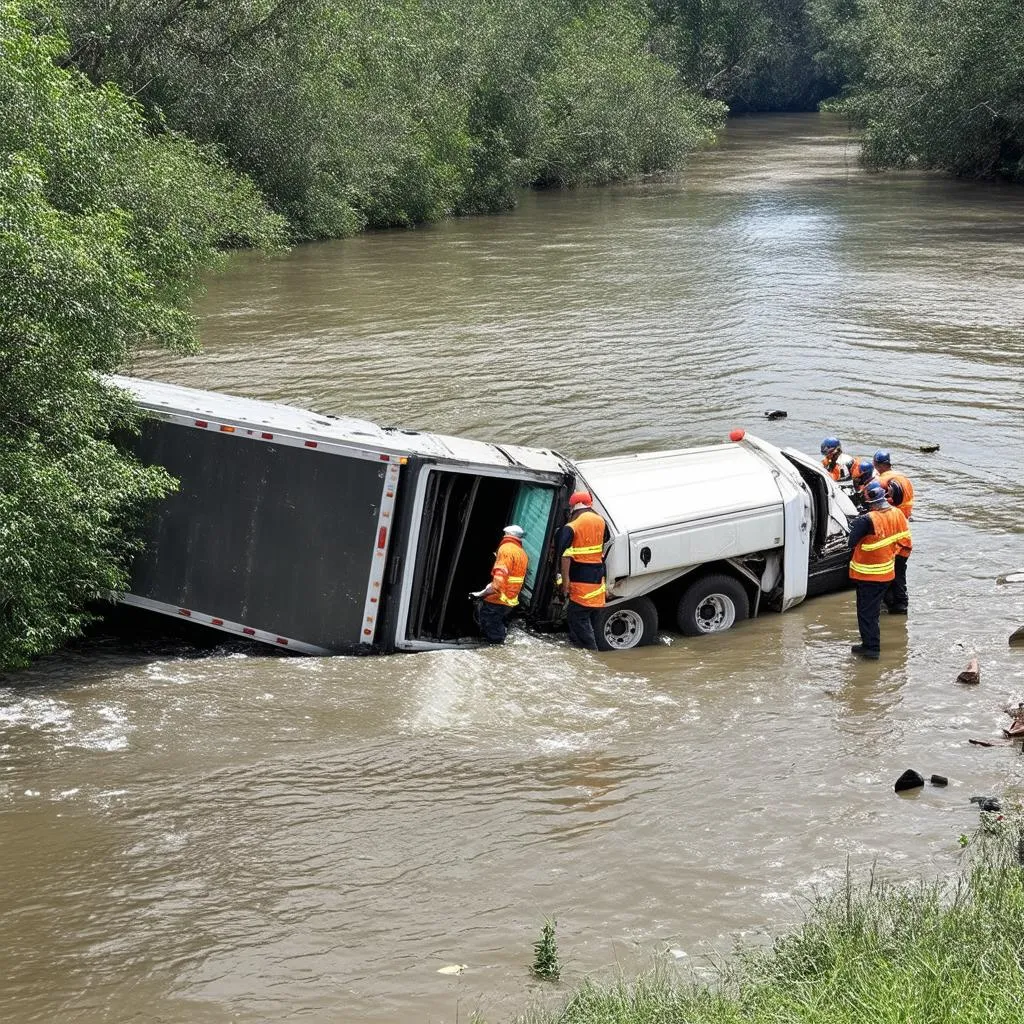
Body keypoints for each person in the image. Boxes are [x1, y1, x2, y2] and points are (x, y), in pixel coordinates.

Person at [847, 481, 911, 659]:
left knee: (866, 613)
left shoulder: (868, 520)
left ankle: (871, 648)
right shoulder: (896, 513)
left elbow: (851, 542)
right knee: (874, 610)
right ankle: (872, 643)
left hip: (868, 574)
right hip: (887, 571)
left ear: (871, 504)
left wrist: (857, 524)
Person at [555, 490, 608, 650]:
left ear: (573, 507)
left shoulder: (572, 526)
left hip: (581, 589)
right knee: (587, 626)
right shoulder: (601, 521)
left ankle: (592, 659)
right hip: (597, 587)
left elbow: (564, 556)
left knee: (579, 623)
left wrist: (564, 585)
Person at [469, 524, 528, 644]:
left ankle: (496, 649)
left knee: (490, 625)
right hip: (510, 599)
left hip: (498, 598)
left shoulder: (506, 549)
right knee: (498, 624)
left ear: (507, 535)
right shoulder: (522, 553)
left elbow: (498, 583)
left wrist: (480, 594)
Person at [872, 450, 914, 614]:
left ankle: (897, 605)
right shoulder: (903, 477)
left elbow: (882, 499)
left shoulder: (882, 480)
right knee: (899, 572)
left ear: (878, 464)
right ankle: (899, 605)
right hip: (903, 523)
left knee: (894, 571)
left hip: (891, 527)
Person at [873, 450, 915, 519]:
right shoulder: (902, 476)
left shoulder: (883, 480)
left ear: (880, 465)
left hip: (895, 516)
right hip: (907, 514)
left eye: (875, 464)